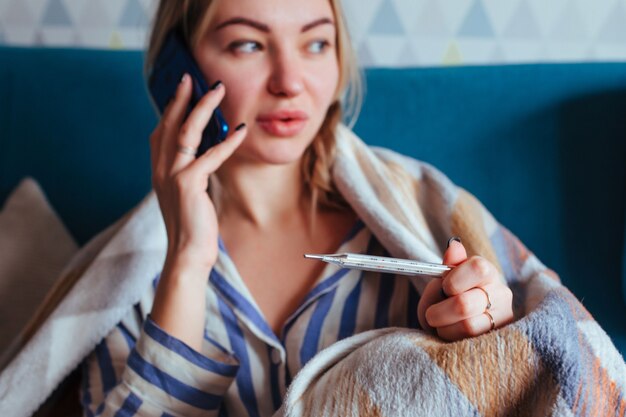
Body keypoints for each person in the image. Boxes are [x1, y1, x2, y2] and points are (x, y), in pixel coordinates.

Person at [80, 0, 514, 415]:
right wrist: (187, 264)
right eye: (247, 44)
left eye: (316, 43)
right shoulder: (128, 279)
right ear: (179, 68)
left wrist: (486, 339)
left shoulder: (427, 210)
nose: (289, 81)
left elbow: (545, 359)